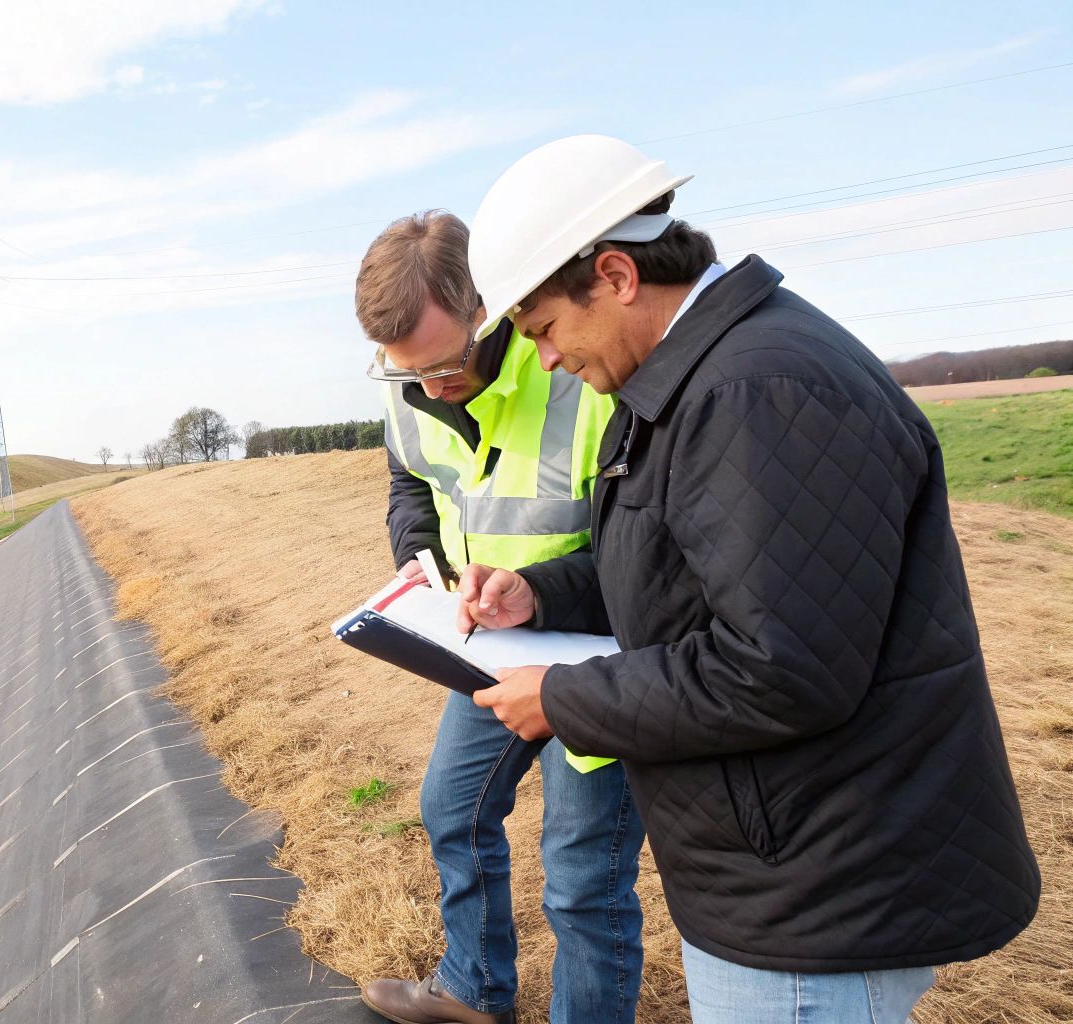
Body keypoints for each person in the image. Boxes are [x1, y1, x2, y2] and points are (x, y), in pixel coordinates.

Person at [457, 135, 1039, 1023]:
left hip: (820, 891)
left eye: (543, 330)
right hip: (783, 867)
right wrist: (545, 593)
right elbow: (686, 568)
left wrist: (566, 700)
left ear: (613, 275)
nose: (545, 360)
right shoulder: (692, 381)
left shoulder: (757, 392)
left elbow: (783, 667)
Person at [354, 211, 639, 1024]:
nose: (432, 389)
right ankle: (474, 992)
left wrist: (535, 586)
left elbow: (646, 555)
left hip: (599, 658)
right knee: (453, 808)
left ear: (488, 306)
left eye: (445, 365)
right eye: (408, 373)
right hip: (484, 646)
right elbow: (410, 483)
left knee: (584, 875)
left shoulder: (581, 371)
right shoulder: (409, 386)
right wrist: (417, 555)